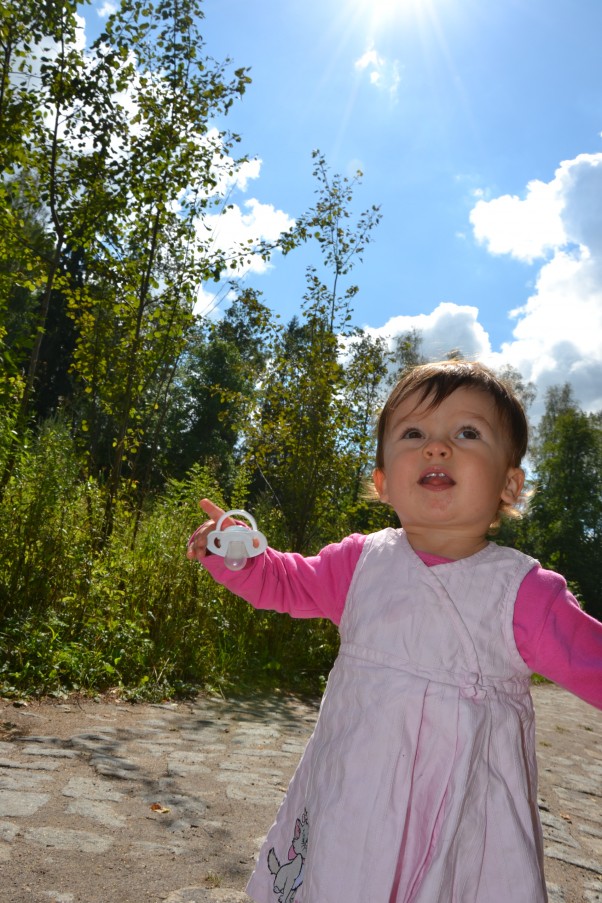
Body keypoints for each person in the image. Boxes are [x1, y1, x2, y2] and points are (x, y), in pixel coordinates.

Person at [187, 359, 602, 903]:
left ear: (509, 483)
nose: (437, 447)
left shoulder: (525, 593)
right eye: (413, 434)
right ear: (382, 482)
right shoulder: (360, 563)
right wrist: (240, 557)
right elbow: (286, 582)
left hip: (461, 815)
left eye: (467, 433)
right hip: (355, 796)